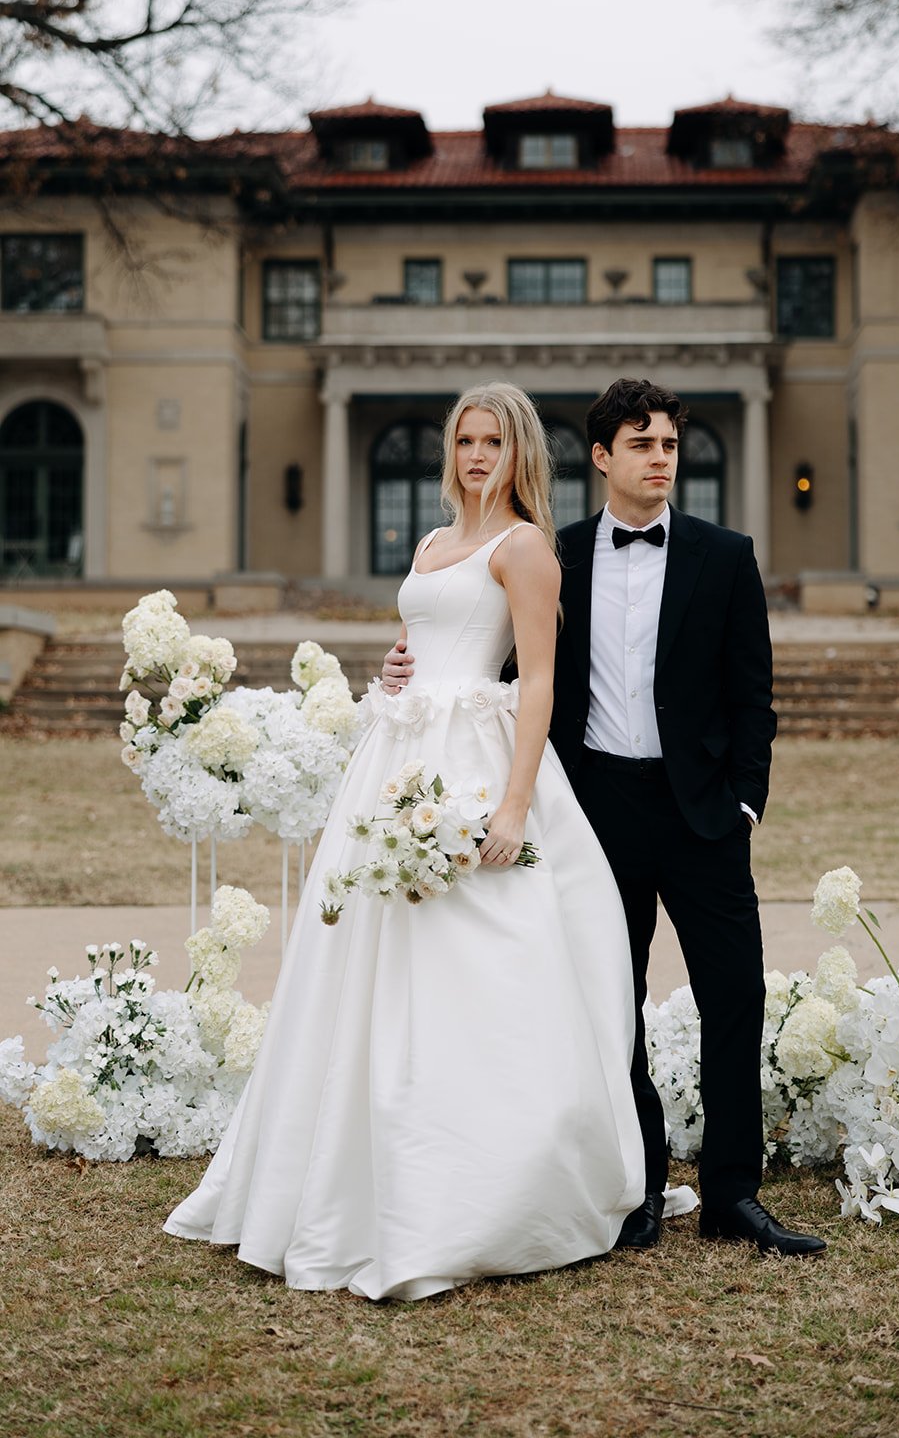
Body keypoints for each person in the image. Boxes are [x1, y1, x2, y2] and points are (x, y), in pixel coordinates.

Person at [164, 382, 645, 1299]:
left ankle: (481, 1184)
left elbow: (536, 682)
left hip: (477, 765)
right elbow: (419, 638)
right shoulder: (430, 544)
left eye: (493, 443)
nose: (475, 457)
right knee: (364, 963)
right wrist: (392, 667)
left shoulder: (527, 548)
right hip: (394, 760)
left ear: (520, 456)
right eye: (464, 440)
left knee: (480, 965)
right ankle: (348, 1162)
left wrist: (510, 807)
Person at [386, 379, 826, 1258]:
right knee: (604, 1001)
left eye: (667, 445)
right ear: (601, 458)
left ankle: (735, 1195)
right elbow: (501, 663)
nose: (659, 460)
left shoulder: (725, 555)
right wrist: (408, 664)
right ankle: (637, 1185)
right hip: (596, 810)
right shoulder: (559, 552)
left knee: (733, 995)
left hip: (703, 814)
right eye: (641, 446)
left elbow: (753, 695)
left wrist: (744, 801)